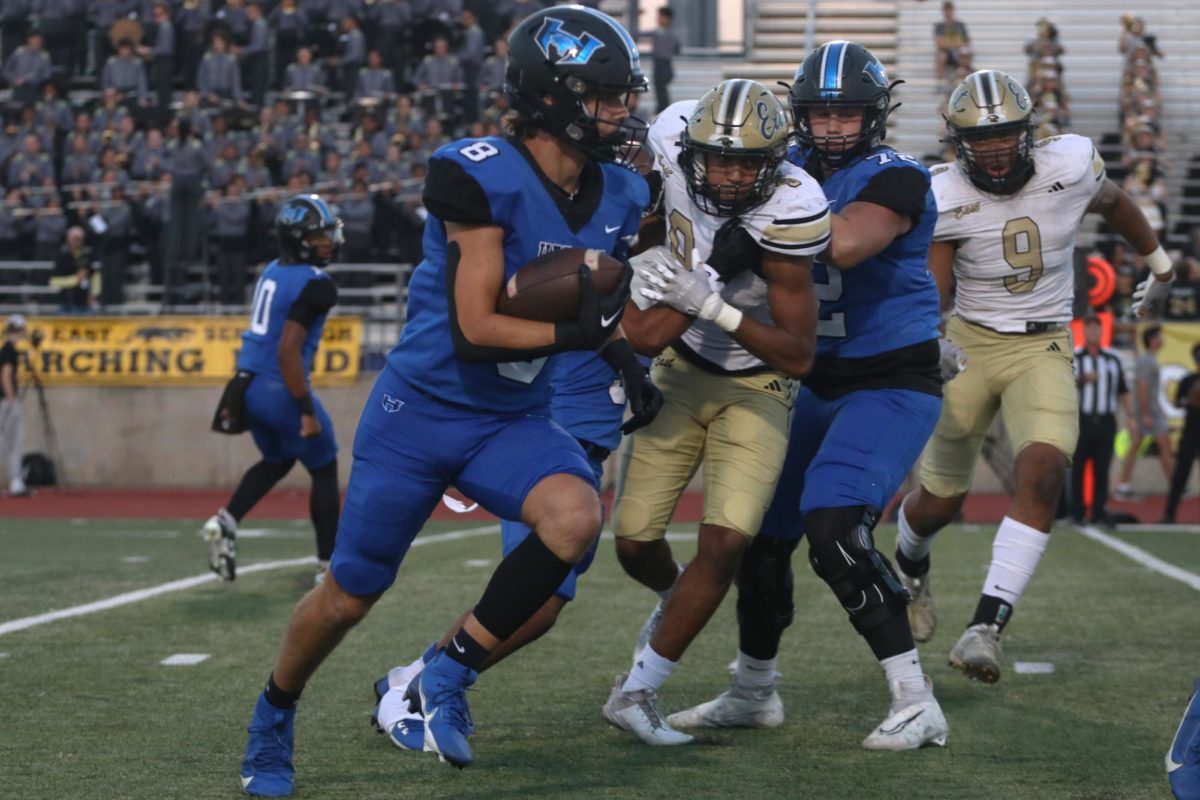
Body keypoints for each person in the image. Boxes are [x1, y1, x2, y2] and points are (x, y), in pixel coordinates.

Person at [237, 7, 653, 794]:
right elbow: (477, 326)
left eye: (620, 96)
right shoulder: (476, 171)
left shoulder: (622, 192)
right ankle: (274, 712)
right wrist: (582, 332)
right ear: (553, 96)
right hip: (421, 413)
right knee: (350, 595)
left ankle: (447, 675)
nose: (619, 113)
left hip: (511, 418)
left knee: (575, 518)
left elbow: (581, 303)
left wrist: (625, 359)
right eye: (602, 97)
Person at [666, 41, 955, 750]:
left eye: (846, 113)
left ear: (874, 114)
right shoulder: (777, 172)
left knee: (833, 530)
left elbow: (849, 243)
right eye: (819, 114)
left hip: (889, 376)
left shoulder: (896, 175)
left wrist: (753, 227)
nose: (831, 128)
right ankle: (753, 690)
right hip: (810, 378)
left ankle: (915, 701)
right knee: (759, 543)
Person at [895, 69, 1174, 684]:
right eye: (979, 138)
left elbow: (1117, 202)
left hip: (1044, 341)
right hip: (969, 343)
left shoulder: (1070, 163)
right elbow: (935, 283)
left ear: (1030, 133)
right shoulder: (943, 191)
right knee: (941, 501)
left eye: (1005, 136)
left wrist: (1160, 265)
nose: (994, 149)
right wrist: (931, 340)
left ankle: (986, 626)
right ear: (957, 142)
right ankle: (910, 566)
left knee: (1045, 467)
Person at [601, 78, 826, 746]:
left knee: (724, 542)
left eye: (746, 162)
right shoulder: (671, 137)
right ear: (687, 148)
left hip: (758, 383)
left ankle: (638, 690)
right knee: (635, 542)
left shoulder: (793, 206)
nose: (727, 176)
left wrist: (715, 303)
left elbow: (800, 354)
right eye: (716, 159)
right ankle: (681, 604)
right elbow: (643, 332)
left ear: (776, 161)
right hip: (679, 367)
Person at [371, 345, 663, 749]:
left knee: (534, 600)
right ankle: (408, 699)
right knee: (537, 603)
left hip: (582, 452)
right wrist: (716, 302)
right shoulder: (609, 290)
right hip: (552, 450)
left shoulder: (620, 291)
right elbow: (648, 328)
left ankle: (410, 677)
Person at [201, 194, 343, 586]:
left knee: (278, 460)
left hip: (244, 384)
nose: (327, 242)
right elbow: (287, 351)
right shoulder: (318, 285)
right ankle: (327, 566)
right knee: (324, 466)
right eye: (318, 236)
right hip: (278, 386)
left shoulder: (273, 270)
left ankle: (226, 522)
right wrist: (306, 411)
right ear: (298, 239)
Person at [1071, 314, 1134, 525]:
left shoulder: (1112, 359)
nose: (1093, 333)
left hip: (1107, 421)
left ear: (1101, 331)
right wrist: (1082, 380)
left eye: (1097, 329)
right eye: (1089, 329)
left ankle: (1098, 512)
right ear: (1084, 331)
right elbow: (1065, 387)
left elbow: (1123, 389)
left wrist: (1131, 416)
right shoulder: (1076, 358)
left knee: (1102, 469)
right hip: (1082, 420)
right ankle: (1077, 513)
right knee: (1078, 468)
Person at [1116, 325, 1175, 499]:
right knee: (1163, 445)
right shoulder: (1146, 360)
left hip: (1150, 411)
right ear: (1152, 340)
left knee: (1138, 446)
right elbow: (1142, 387)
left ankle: (1123, 484)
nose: (1162, 339)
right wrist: (1146, 413)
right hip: (1148, 412)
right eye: (1159, 336)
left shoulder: (1149, 359)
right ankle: (1174, 485)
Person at [1162, 343, 1200, 523]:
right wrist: (1189, 401)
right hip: (1191, 430)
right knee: (1180, 474)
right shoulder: (1188, 379)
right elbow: (1177, 402)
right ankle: (1169, 514)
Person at [0, 313, 27, 497]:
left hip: (4, 400)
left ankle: (16, 479)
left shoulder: (6, 349)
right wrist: (11, 399)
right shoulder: (9, 350)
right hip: (6, 400)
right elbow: (6, 376)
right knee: (12, 441)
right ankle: (16, 480)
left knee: (8, 442)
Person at [648, 7, 680, 114]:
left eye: (661, 17)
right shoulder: (658, 32)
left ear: (667, 18)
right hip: (659, 64)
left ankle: (663, 110)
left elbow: (675, 49)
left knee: (661, 91)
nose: (658, 19)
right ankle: (661, 109)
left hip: (664, 64)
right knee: (659, 90)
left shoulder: (669, 34)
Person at [934, 2, 970, 85]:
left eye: (950, 10)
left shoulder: (960, 25)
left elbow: (965, 42)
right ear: (943, 11)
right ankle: (941, 83)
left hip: (958, 53)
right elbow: (939, 43)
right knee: (942, 56)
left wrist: (947, 43)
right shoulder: (939, 26)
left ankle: (962, 82)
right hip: (946, 54)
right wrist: (956, 43)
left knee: (964, 52)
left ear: (953, 11)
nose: (948, 13)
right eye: (946, 10)